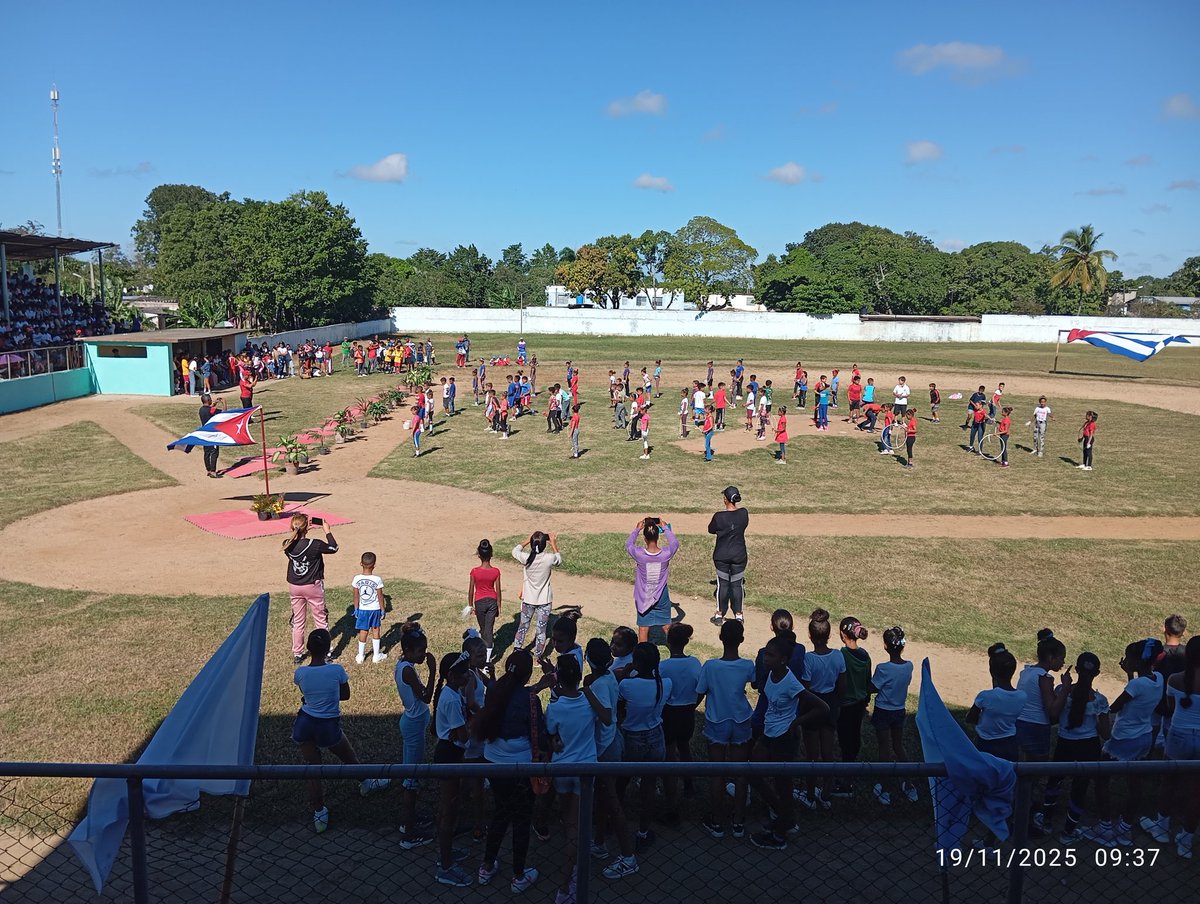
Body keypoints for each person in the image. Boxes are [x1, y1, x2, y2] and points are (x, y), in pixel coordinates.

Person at [474, 649, 554, 893]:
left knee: (500, 812)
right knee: (521, 819)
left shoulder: (496, 690)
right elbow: (539, 735)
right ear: (528, 674)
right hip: (520, 767)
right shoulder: (529, 699)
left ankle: (486, 866)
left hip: (493, 763)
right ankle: (518, 874)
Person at [291, 629, 385, 834]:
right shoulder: (336, 671)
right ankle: (366, 782)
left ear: (308, 648)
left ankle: (318, 812)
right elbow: (346, 695)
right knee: (348, 756)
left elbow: (305, 694)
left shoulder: (300, 673)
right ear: (327, 649)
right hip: (328, 723)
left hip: (305, 721)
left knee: (312, 768)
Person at [748, 633, 829, 850]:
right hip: (769, 734)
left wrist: (797, 722)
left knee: (783, 787)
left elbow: (822, 708)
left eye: (771, 655)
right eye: (766, 653)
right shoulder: (770, 673)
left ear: (783, 659)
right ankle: (785, 818)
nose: (765, 658)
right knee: (752, 773)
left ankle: (779, 835)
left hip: (784, 739)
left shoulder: (792, 683)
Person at [1084, 638, 1165, 845]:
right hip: (1144, 736)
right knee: (1134, 783)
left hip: (1123, 739)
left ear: (1138, 661)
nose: (1126, 660)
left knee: (1101, 779)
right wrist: (1129, 674)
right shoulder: (1159, 679)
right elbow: (1138, 692)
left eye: (1128, 658)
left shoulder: (1137, 684)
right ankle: (1125, 828)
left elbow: (1116, 706)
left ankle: (1105, 828)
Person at [546, 654, 611, 903]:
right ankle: (571, 868)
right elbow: (605, 719)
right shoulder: (589, 703)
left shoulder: (555, 707)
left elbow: (552, 735)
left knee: (569, 823)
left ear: (559, 680)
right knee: (576, 825)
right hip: (585, 770)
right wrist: (588, 691)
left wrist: (554, 741)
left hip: (563, 769)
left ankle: (565, 883)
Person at [1038, 652, 1109, 845]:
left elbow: (1053, 716)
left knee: (1054, 783)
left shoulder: (1063, 690)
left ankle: (1046, 822)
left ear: (1076, 670)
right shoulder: (1100, 700)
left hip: (1065, 744)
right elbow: (1105, 734)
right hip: (1089, 748)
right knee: (1080, 789)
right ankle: (1068, 832)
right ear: (1097, 673)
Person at [612, 642, 671, 871]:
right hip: (656, 735)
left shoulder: (627, 684)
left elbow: (617, 699)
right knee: (648, 785)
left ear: (635, 663)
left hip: (632, 736)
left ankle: (612, 822)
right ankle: (643, 831)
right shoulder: (666, 683)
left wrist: (625, 674)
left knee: (620, 782)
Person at [697, 620, 755, 839]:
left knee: (717, 774)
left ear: (721, 638)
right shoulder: (748, 665)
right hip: (741, 720)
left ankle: (716, 821)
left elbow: (700, 691)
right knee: (741, 774)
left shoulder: (710, 666)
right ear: (741, 639)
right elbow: (756, 683)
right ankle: (738, 822)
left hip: (716, 720)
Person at [583, 638, 636, 877]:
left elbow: (604, 716)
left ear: (588, 660)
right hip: (611, 741)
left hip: (606, 747)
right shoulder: (608, 678)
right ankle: (600, 842)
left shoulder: (598, 685)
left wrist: (586, 692)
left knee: (612, 803)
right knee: (605, 800)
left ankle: (628, 857)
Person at [1144, 636, 1200, 855]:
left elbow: (1171, 707)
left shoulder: (1176, 680)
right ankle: (1186, 840)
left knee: (1168, 782)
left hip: (1179, 735)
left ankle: (1161, 826)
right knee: (1196, 792)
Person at [432, 652, 476, 887]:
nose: (468, 675)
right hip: (449, 755)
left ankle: (446, 851)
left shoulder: (452, 693)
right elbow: (463, 735)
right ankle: (446, 865)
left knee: (450, 806)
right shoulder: (450, 699)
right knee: (448, 811)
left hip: (451, 753)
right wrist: (472, 724)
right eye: (464, 672)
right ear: (451, 676)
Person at [798, 609, 846, 811]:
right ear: (829, 635)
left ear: (810, 636)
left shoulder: (808, 659)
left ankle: (810, 794)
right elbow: (842, 685)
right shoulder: (837, 656)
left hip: (813, 704)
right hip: (831, 703)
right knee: (828, 752)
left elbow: (806, 687)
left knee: (811, 755)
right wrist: (838, 705)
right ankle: (826, 793)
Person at [395, 622, 437, 848]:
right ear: (409, 651)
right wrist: (432, 671)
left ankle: (408, 821)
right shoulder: (409, 670)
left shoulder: (403, 664)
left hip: (412, 723)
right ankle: (409, 835)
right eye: (421, 651)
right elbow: (426, 697)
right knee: (411, 779)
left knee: (410, 775)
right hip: (413, 726)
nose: (424, 653)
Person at [869, 626, 916, 805]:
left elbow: (873, 688)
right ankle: (908, 784)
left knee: (884, 749)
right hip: (899, 710)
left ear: (885, 646)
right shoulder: (909, 666)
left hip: (883, 711)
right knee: (898, 746)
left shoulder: (883, 668)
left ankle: (885, 788)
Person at [659, 624, 701, 822]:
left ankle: (671, 802)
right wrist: (694, 705)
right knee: (685, 749)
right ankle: (689, 785)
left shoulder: (663, 666)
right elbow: (701, 687)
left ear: (668, 643)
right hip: (687, 712)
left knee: (669, 755)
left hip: (669, 712)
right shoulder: (694, 663)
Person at [284, 514, 338, 664]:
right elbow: (334, 547)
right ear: (307, 527)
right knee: (320, 620)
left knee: (298, 621)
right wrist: (327, 531)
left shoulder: (287, 544)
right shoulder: (315, 544)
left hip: (295, 586)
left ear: (292, 527)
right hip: (313, 586)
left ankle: (298, 653)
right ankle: (326, 651)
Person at [966, 644, 1027, 761]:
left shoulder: (985, 696)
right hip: (1010, 744)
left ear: (992, 671)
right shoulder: (1022, 696)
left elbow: (970, 718)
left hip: (985, 744)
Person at [832, 617, 870, 797]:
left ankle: (845, 783)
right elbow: (868, 682)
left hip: (845, 707)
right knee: (854, 740)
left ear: (841, 634)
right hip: (860, 705)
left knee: (845, 742)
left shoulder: (842, 655)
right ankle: (849, 776)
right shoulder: (865, 656)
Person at [626, 516, 680, 642]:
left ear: (645, 538)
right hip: (661, 595)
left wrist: (636, 529)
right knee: (667, 626)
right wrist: (665, 527)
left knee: (643, 628)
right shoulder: (666, 554)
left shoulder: (639, 554)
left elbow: (628, 544)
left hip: (644, 596)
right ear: (658, 536)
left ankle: (642, 656)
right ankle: (675, 652)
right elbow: (674, 543)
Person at [512, 532, 561, 657]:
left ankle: (516, 651)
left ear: (532, 545)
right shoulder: (549, 558)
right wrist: (554, 544)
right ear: (544, 545)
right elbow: (558, 560)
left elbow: (515, 551)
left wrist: (527, 540)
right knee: (541, 631)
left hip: (528, 599)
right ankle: (537, 658)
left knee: (523, 626)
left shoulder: (526, 558)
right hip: (544, 600)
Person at [708, 486, 748, 624]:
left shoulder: (719, 517)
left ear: (725, 499)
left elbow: (711, 529)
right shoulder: (744, 514)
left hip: (722, 555)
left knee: (723, 584)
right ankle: (739, 615)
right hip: (739, 555)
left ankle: (719, 615)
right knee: (737, 584)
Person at [468, 540, 502, 664]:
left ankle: (485, 658)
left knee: (484, 629)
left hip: (479, 602)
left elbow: (471, 590)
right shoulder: (496, 571)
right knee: (489, 629)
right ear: (491, 554)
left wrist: (470, 605)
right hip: (492, 601)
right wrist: (499, 606)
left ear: (479, 555)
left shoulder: (474, 571)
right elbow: (498, 590)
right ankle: (487, 658)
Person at [352, 551, 386, 664]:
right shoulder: (377, 579)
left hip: (363, 609)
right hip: (375, 609)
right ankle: (376, 656)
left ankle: (361, 655)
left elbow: (356, 595)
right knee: (376, 630)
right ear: (374, 565)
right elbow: (380, 596)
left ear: (360, 563)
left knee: (363, 630)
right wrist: (382, 609)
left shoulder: (356, 579)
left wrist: (356, 608)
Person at [197, 393, 223, 478]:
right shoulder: (211, 410)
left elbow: (210, 409)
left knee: (207, 452)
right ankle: (213, 471)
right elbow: (224, 413)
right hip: (212, 434)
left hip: (204, 433)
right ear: (208, 400)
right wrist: (224, 403)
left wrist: (214, 404)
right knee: (214, 452)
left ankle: (208, 470)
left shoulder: (201, 410)